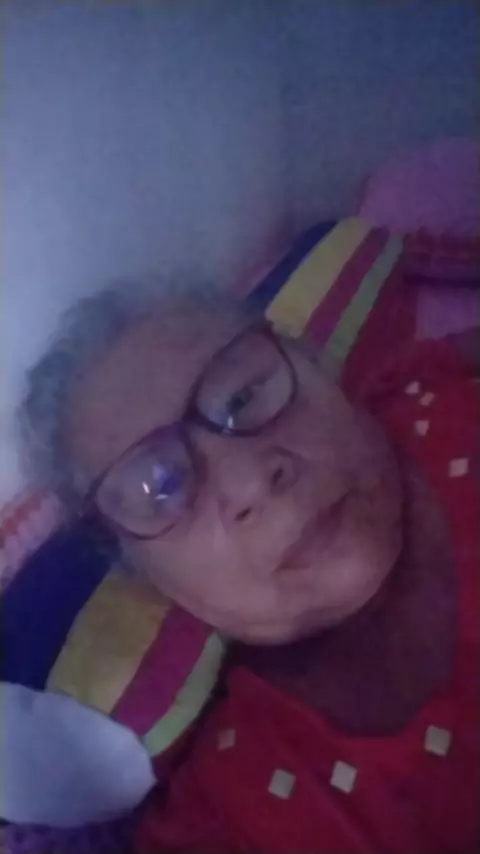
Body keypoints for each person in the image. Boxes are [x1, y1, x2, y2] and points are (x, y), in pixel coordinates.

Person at [19, 279, 479, 853]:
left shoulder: (425, 383)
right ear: (143, 574)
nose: (251, 480)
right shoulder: (236, 811)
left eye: (241, 397)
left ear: (312, 364)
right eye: (160, 485)